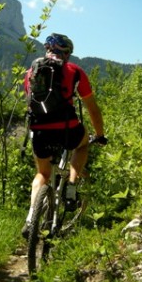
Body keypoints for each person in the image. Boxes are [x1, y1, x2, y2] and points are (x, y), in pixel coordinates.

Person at [22, 33, 107, 238]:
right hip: (68, 129)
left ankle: (31, 217)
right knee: (83, 144)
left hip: (40, 131)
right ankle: (71, 184)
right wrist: (100, 134)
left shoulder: (30, 73)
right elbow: (93, 110)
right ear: (67, 53)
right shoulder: (75, 71)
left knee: (42, 174)